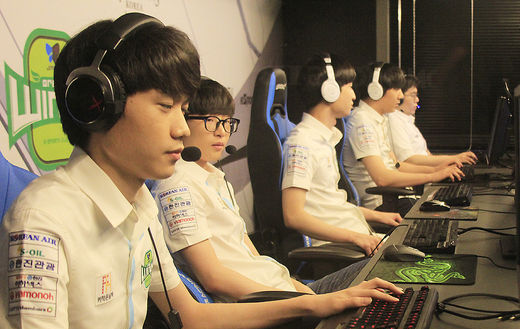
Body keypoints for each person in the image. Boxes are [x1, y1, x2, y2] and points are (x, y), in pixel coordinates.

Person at [0, 13, 400, 329]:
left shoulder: (139, 205)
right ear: (96, 103)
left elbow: (190, 317)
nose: (180, 128)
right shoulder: (43, 219)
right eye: (165, 106)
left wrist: (312, 303)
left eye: (183, 109)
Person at [151, 77, 373, 299]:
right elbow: (213, 278)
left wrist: (297, 288)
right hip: (267, 303)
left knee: (378, 273)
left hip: (279, 289)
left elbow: (252, 257)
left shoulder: (215, 177)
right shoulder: (178, 187)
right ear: (183, 120)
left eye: (227, 122)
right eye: (211, 121)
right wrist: (302, 301)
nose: (222, 132)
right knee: (377, 277)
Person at [281, 54, 402, 256]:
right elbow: (293, 216)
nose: (354, 96)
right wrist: (355, 237)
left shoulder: (324, 140)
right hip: (340, 248)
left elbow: (330, 205)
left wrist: (379, 216)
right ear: (330, 90)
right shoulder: (302, 143)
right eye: (349, 88)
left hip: (356, 238)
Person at [342, 62, 464, 212]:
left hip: (396, 197)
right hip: (381, 203)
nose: (400, 96)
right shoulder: (362, 123)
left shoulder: (377, 119)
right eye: (396, 89)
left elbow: (397, 165)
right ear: (376, 90)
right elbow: (382, 178)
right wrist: (433, 176)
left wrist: (436, 170)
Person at [387, 74, 477, 168]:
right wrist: (453, 158)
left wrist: (449, 165)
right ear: (400, 97)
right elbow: (408, 159)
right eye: (413, 95)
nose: (417, 99)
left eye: (417, 95)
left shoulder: (408, 121)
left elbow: (427, 155)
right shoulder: (394, 120)